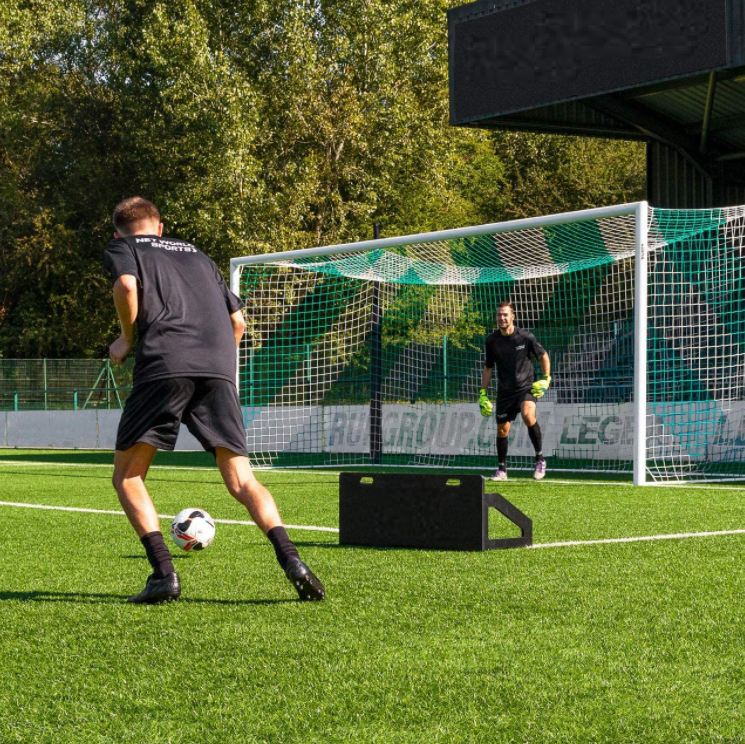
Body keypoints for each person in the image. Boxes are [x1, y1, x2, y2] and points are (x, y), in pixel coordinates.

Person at [103, 196, 325, 604]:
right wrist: (218, 365)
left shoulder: (124, 247)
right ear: (161, 226)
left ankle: (163, 576)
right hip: (218, 369)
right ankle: (293, 561)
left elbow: (127, 285)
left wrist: (127, 338)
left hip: (164, 364)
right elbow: (237, 322)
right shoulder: (199, 257)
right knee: (243, 479)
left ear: (119, 231)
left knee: (128, 477)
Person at [478, 301, 551, 481]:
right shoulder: (491, 341)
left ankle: (540, 459)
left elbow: (543, 356)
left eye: (505, 315)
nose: (502, 318)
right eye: (499, 315)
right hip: (505, 391)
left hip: (526, 387)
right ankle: (502, 470)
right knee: (502, 431)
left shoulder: (524, 337)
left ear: (512, 316)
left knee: (528, 415)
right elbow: (488, 368)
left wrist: (546, 378)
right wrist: (482, 393)